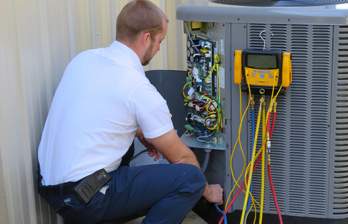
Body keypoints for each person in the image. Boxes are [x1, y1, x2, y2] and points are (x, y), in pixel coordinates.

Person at [37, 0, 223, 223]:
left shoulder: (84, 59)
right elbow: (182, 158)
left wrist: (140, 133)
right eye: (159, 41)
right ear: (146, 37)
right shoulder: (138, 88)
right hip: (85, 199)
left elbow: (100, 112)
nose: (158, 48)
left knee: (124, 148)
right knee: (190, 178)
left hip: (50, 188)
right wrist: (207, 191)